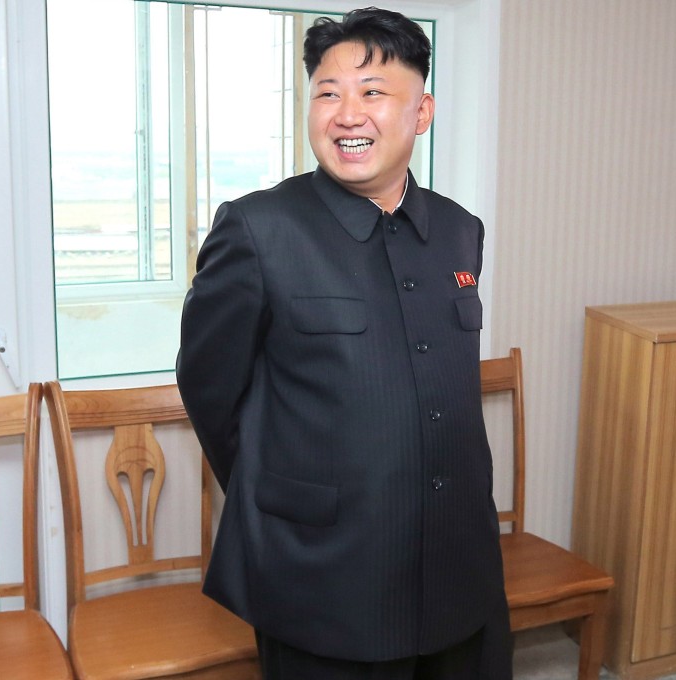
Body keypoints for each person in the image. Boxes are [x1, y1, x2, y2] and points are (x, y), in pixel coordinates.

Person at [176, 7, 511, 679]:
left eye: (373, 93)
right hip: (324, 578)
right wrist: (288, 490)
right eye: (327, 93)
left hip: (459, 563)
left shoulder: (458, 229)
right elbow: (210, 389)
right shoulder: (258, 230)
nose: (347, 114)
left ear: (421, 113)